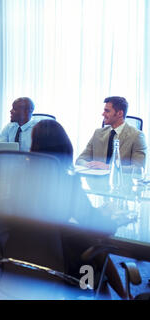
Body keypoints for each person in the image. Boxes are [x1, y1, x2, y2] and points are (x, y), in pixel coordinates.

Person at [30, 119, 127, 299]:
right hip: (61, 259)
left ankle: (122, 294)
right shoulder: (67, 179)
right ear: (64, 146)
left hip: (26, 253)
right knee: (95, 248)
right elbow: (91, 221)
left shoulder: (20, 173)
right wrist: (112, 217)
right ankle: (119, 294)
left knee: (91, 244)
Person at [76, 96, 147, 171]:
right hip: (96, 180)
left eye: (107, 111)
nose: (103, 114)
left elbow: (139, 168)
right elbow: (80, 160)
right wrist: (88, 164)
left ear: (120, 113)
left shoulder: (137, 136)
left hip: (121, 182)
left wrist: (108, 167)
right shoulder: (98, 133)